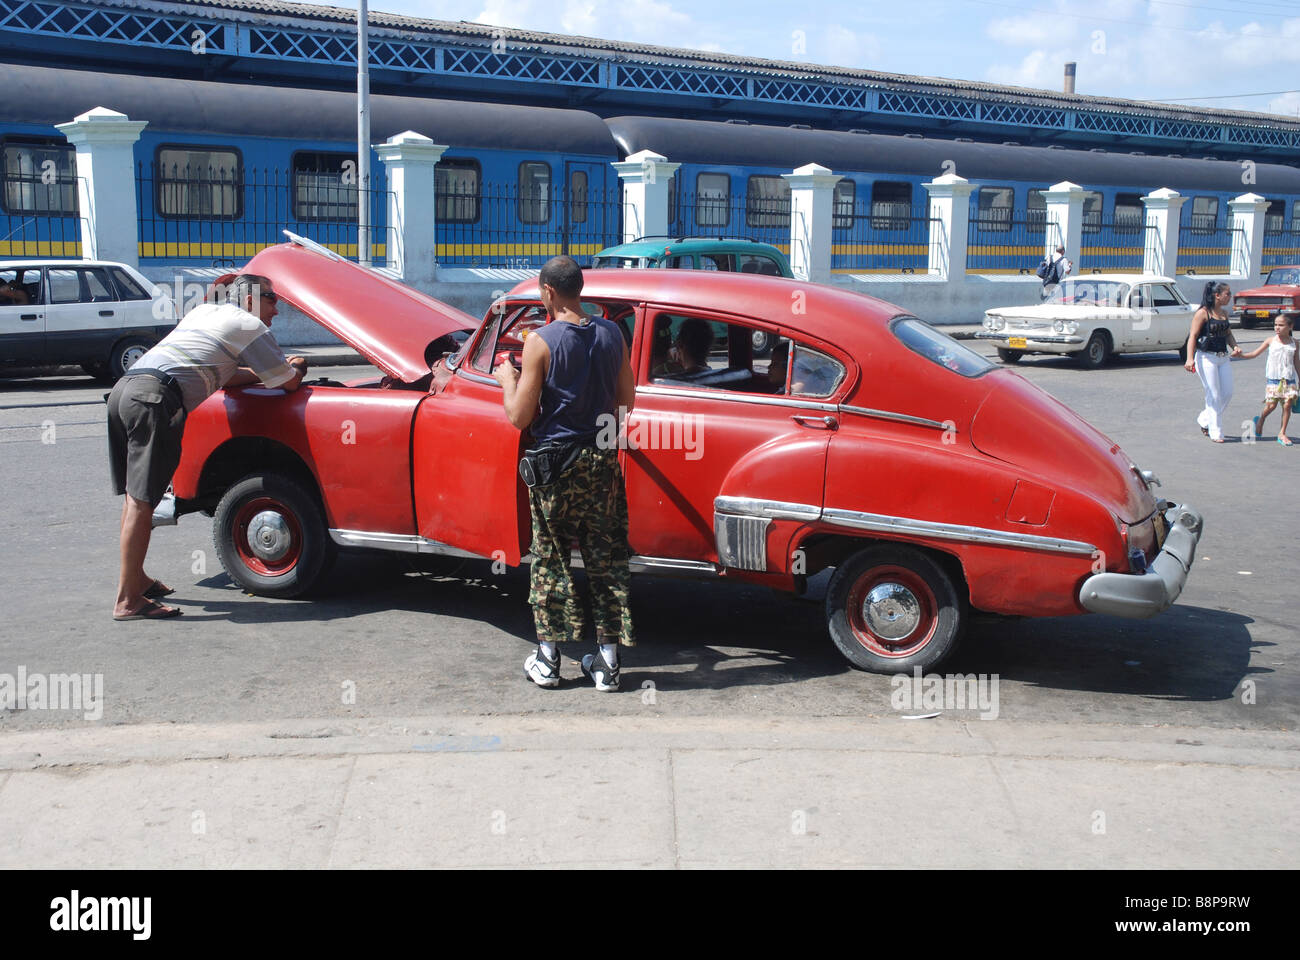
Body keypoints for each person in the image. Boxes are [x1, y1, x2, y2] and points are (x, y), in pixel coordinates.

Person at [107, 274, 307, 620]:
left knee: (134, 496)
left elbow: (225, 375)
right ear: (249, 299)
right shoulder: (248, 324)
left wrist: (263, 374)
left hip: (126, 390)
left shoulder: (204, 315)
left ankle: (136, 578)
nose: (277, 310)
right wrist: (297, 367)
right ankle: (128, 600)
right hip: (155, 400)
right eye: (273, 299)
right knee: (143, 501)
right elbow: (287, 384)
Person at [494, 255, 636, 692]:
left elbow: (519, 417)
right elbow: (627, 403)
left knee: (551, 559)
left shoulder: (541, 341)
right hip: (602, 463)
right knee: (606, 560)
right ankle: (608, 666)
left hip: (556, 467)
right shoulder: (613, 333)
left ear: (548, 293)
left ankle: (549, 659)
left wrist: (506, 379)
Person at [1184, 280, 1242, 443]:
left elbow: (1228, 334)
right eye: (1227, 293)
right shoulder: (1203, 313)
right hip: (1206, 357)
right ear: (1217, 295)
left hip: (1223, 357)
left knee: (1227, 393)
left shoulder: (1224, 313)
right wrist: (1189, 359)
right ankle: (1215, 431)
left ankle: (1204, 419)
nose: (1230, 296)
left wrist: (1235, 346)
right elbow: (1193, 337)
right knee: (1214, 395)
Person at [1243, 312, 1298, 446]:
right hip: (1274, 379)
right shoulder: (1270, 341)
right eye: (1275, 325)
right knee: (1271, 406)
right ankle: (1261, 419)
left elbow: (1297, 362)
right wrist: (1241, 355)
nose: (1277, 328)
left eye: (1281, 325)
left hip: (1289, 379)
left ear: (1290, 326)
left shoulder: (1295, 343)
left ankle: (1282, 433)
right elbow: (1254, 354)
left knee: (1287, 405)